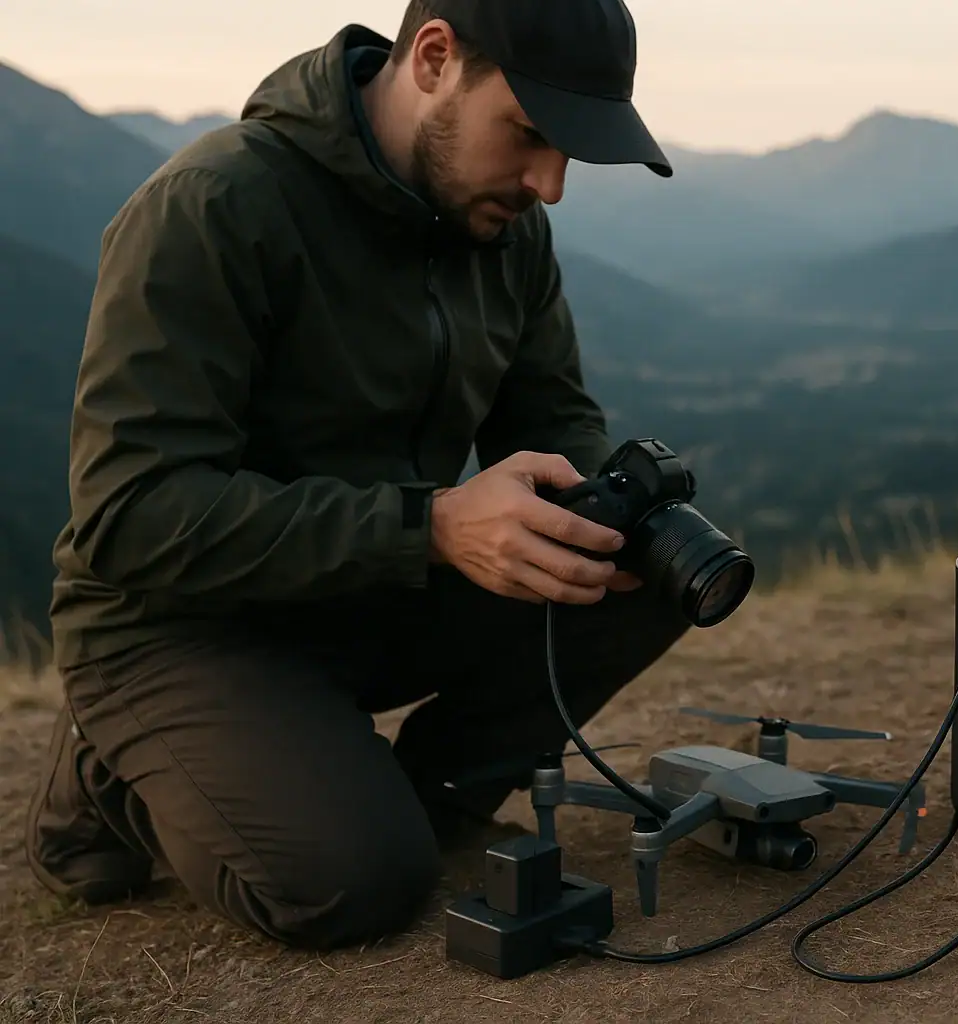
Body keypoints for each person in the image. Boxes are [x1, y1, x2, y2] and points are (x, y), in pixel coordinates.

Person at [25, 0, 692, 951]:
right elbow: (130, 515)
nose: (549, 186)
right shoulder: (215, 205)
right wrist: (430, 528)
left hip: (374, 584)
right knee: (352, 886)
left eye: (570, 155)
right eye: (533, 136)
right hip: (178, 620)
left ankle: (422, 799)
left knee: (645, 572)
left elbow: (551, 425)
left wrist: (613, 513)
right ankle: (115, 764)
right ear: (432, 59)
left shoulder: (503, 232)